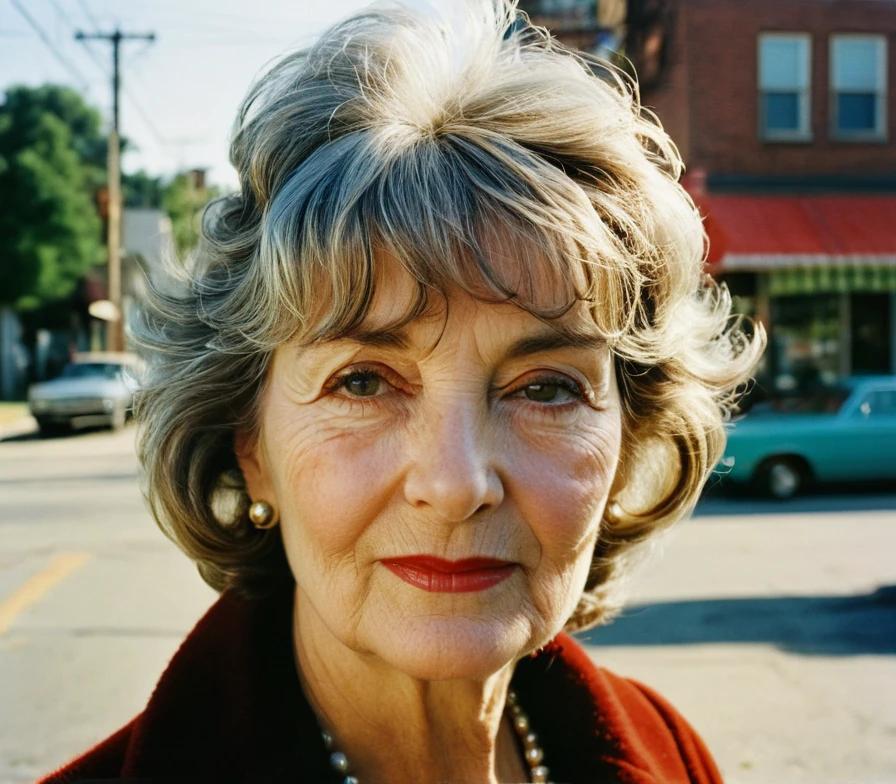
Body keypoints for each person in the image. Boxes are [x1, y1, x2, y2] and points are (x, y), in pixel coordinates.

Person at [39, 1, 764, 782]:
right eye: (363, 382)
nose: (456, 486)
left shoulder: (672, 755)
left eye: (545, 388)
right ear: (250, 447)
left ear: (629, 437)